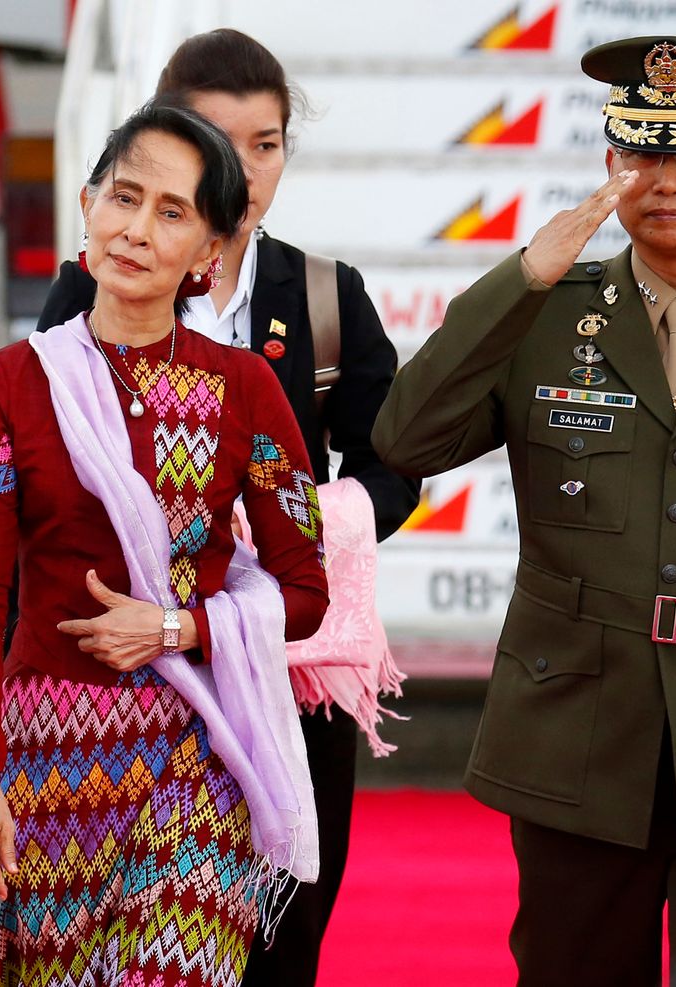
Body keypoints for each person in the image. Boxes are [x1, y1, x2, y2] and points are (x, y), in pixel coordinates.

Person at [372, 36, 676, 985]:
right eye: (643, 152)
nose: (667, 178)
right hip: (578, 735)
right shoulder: (546, 316)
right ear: (610, 165)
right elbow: (404, 438)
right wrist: (522, 277)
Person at [36, 30, 419, 984]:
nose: (242, 170)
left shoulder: (326, 295)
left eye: (267, 143)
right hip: (132, 665)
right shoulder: (90, 291)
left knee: (288, 930)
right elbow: (48, 472)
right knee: (133, 938)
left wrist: (303, 527)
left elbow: (393, 463)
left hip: (288, 663)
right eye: (214, 139)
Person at [0, 101, 329, 987]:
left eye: (172, 212)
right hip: (49, 762)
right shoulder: (15, 384)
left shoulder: (247, 391)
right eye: (124, 197)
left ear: (209, 251)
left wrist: (176, 628)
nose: (136, 230)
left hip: (202, 751)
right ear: (86, 203)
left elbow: (306, 590)